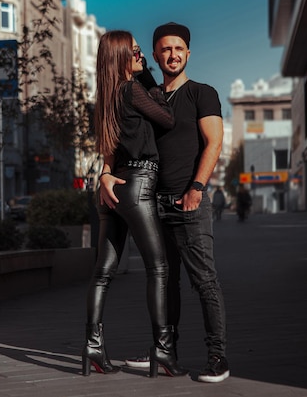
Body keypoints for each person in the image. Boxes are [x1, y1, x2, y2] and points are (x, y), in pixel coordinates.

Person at [105, 22, 229, 383]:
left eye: (178, 49)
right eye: (165, 49)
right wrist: (105, 172)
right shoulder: (147, 94)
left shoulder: (202, 93)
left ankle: (217, 356)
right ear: (156, 55)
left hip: (189, 200)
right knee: (165, 281)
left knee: (204, 280)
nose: (172, 55)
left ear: (188, 53)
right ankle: (165, 350)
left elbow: (214, 143)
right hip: (152, 203)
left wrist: (197, 187)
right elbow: (120, 140)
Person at [82, 30, 187, 378]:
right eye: (136, 52)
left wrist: (104, 174)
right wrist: (143, 75)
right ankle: (164, 351)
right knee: (159, 268)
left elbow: (109, 149)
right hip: (140, 184)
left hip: (112, 189)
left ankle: (92, 346)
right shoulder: (131, 89)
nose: (141, 56)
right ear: (123, 58)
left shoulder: (107, 98)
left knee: (102, 273)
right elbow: (167, 118)